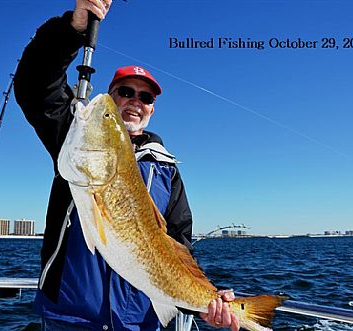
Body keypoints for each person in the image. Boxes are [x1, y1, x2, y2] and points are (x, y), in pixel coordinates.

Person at [14, 0, 240, 330]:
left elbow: (180, 245)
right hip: (69, 318)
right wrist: (72, 29)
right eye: (125, 92)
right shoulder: (74, 140)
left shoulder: (167, 171)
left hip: (140, 324)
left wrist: (206, 301)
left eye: (145, 97)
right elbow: (35, 82)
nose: (135, 101)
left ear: (152, 109)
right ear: (112, 94)